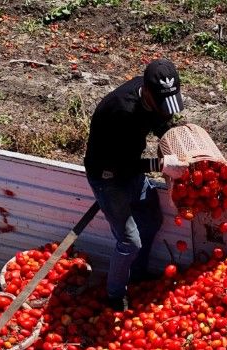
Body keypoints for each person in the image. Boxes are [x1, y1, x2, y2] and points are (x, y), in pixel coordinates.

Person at [83, 58, 187, 312]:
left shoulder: (152, 97)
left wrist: (178, 143)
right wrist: (160, 165)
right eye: (161, 105)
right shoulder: (122, 113)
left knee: (152, 219)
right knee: (130, 241)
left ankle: (137, 277)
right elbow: (122, 165)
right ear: (148, 93)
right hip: (108, 175)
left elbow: (162, 123)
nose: (165, 110)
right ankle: (115, 294)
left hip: (128, 167)